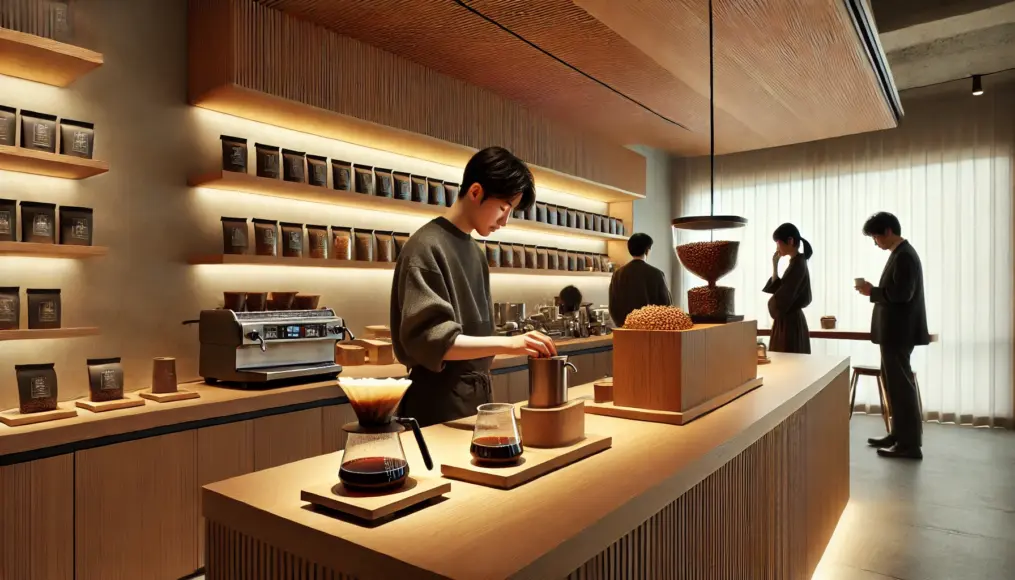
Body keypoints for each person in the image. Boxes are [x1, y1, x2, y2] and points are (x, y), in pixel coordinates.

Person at [390, 147, 557, 427]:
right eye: (504, 208)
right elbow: (434, 341)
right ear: (476, 192)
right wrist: (511, 343)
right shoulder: (425, 247)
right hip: (438, 404)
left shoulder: (476, 252)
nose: (505, 221)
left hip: (475, 397)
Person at [855, 212, 929, 460]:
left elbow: (902, 294)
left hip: (898, 333)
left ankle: (909, 444)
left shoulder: (905, 255)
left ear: (887, 231)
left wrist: (872, 291)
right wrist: (874, 291)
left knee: (900, 387)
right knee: (894, 386)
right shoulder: (901, 254)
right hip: (895, 333)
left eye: (875, 236)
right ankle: (898, 435)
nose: (875, 242)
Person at [763, 223, 813, 354]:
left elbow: (784, 295)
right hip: (788, 319)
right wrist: (775, 266)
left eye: (778, 242)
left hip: (790, 323)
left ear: (790, 241)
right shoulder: (796, 262)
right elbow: (783, 290)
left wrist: (772, 303)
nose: (777, 247)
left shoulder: (798, 264)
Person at [608, 233, 671, 327]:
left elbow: (613, 305)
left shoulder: (618, 274)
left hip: (624, 329)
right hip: (650, 329)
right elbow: (666, 305)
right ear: (647, 250)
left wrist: (622, 325)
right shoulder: (656, 273)